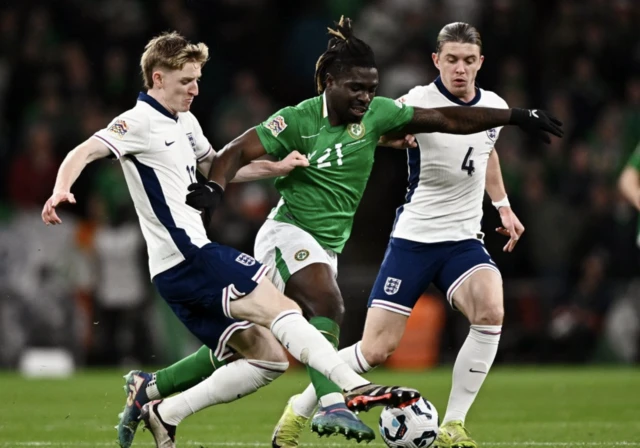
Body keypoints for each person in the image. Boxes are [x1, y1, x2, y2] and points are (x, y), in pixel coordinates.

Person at [119, 18, 563, 447]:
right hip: (287, 233)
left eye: (371, 88)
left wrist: (517, 116)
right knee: (328, 303)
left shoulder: (378, 114)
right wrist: (215, 188)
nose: (367, 97)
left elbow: (452, 122)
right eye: (357, 88)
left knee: (255, 350)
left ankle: (156, 396)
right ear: (329, 81)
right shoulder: (298, 119)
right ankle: (333, 401)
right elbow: (235, 150)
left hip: (328, 245)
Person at [41, 31, 422, 448]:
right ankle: (347, 389)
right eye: (186, 80)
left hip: (179, 268)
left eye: (198, 79)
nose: (195, 89)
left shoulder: (185, 122)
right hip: (189, 256)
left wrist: (278, 168)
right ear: (157, 78)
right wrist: (61, 188)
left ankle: (158, 406)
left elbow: (216, 167)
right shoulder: (138, 121)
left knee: (268, 359)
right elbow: (83, 150)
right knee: (284, 308)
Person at [270, 21, 529, 448]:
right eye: (451, 60)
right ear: (436, 61)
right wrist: (394, 140)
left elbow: (487, 150)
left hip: (463, 239)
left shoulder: (494, 107)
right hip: (414, 239)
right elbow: (369, 131)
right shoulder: (415, 101)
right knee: (375, 350)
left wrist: (501, 205)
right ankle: (298, 409)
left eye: (468, 61)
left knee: (490, 309)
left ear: (480, 62)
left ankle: (453, 426)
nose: (460, 69)